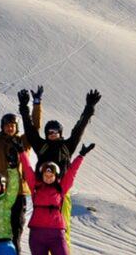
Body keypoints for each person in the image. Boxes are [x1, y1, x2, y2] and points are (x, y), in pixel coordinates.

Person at [20, 89, 101, 243]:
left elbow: (79, 129)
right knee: (43, 229)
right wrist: (24, 108)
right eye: (49, 131)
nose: (52, 133)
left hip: (62, 191)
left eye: (56, 131)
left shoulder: (67, 146)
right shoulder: (41, 145)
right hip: (43, 191)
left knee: (63, 230)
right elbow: (30, 131)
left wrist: (89, 108)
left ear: (60, 132)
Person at [0, 84, 41, 255]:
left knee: (15, 233)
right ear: (2, 126)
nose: (10, 127)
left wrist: (36, 104)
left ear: (16, 127)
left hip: (18, 195)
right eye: (7, 124)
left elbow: (35, 128)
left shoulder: (23, 142)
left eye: (13, 125)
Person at [22, 143, 94, 255]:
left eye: (51, 176)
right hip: (37, 234)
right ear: (42, 175)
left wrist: (81, 156)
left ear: (56, 176)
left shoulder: (61, 188)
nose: (49, 178)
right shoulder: (36, 186)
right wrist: (22, 152)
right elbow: (27, 168)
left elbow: (72, 172)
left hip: (56, 233)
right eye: (46, 175)